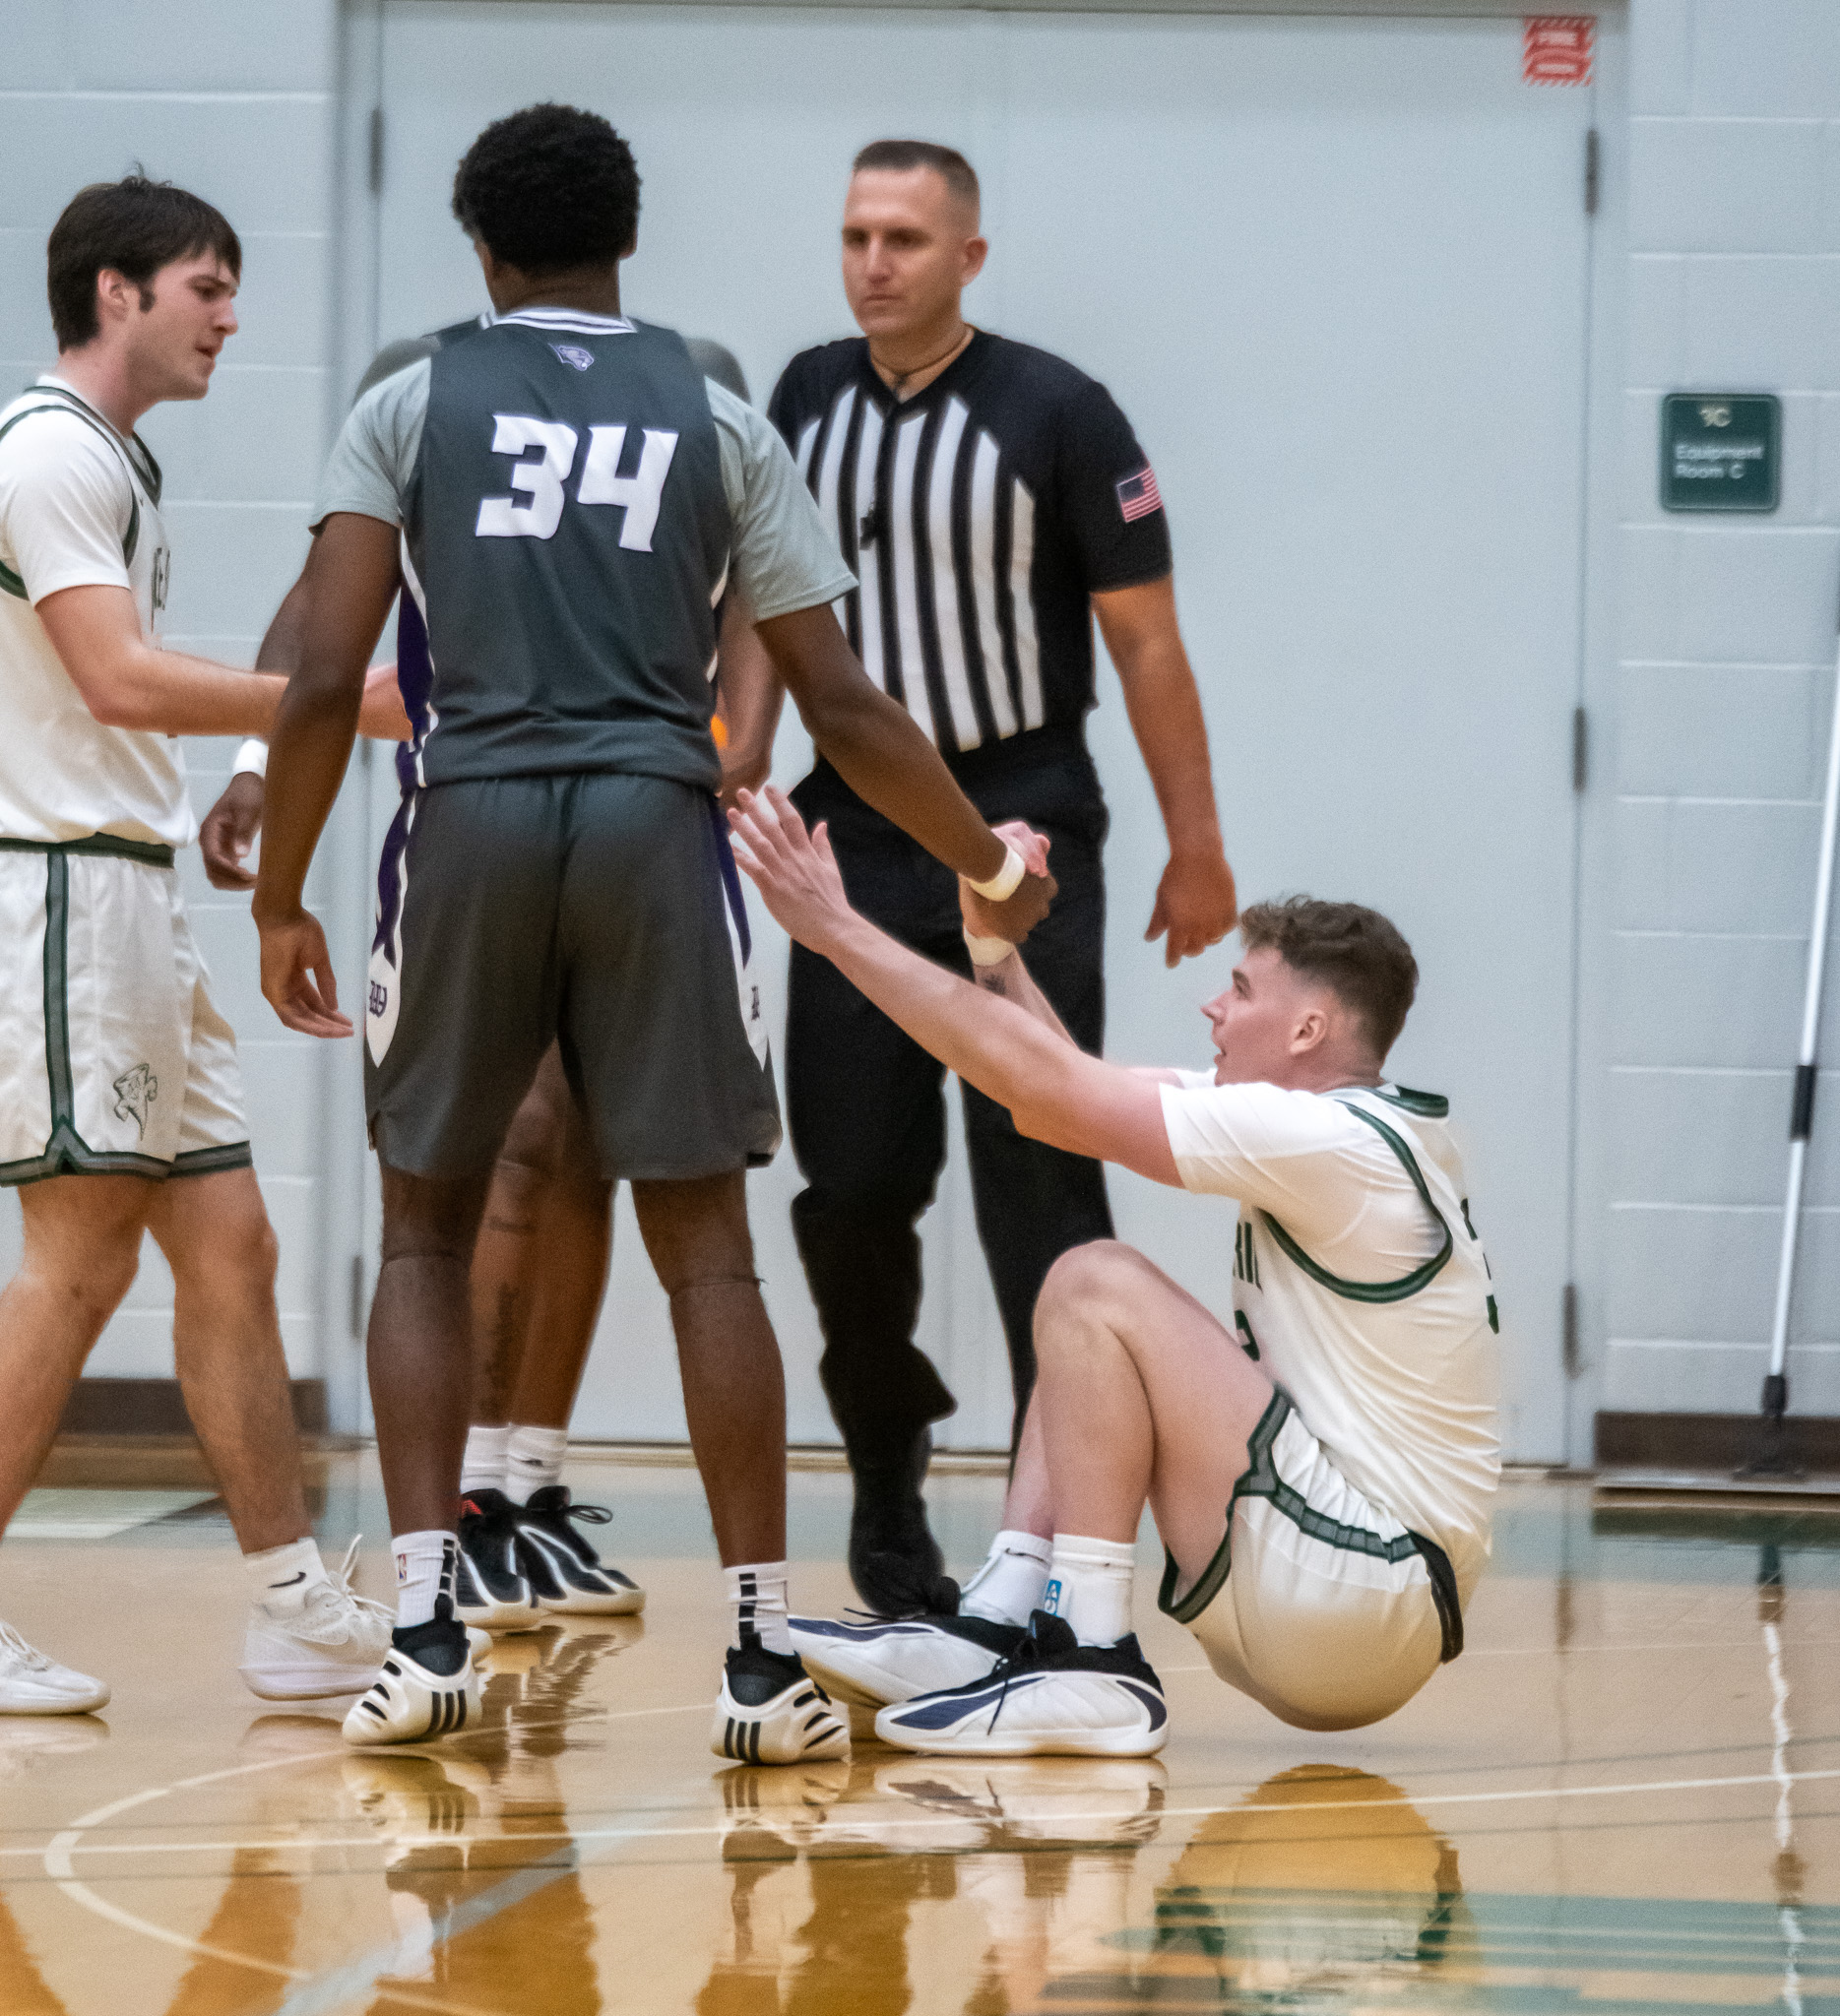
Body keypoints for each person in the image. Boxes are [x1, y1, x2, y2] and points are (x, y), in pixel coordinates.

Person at [251, 105, 1051, 1759]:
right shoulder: (714, 412)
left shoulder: (408, 401)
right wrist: (982, 859)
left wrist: (279, 891)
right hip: (648, 817)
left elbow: (326, 669)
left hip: (467, 814)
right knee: (707, 1246)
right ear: (626, 239)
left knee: (420, 1227)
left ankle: (422, 1633)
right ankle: (759, 1662)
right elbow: (835, 692)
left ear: (480, 246)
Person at [730, 785, 1500, 1753]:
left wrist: (835, 929)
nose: (1213, 1005)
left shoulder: (1328, 1137)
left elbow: (1047, 1095)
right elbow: (1056, 1087)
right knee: (1079, 1294)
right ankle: (1003, 1618)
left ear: (1309, 1029)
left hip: (1364, 1584)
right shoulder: (1338, 1125)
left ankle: (1090, 1652)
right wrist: (993, 949)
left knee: (1095, 1280)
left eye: (1244, 989)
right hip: (1353, 1598)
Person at [200, 335, 762, 1633]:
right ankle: (463, 1515)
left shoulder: (699, 385)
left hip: (623, 820)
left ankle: (524, 1488)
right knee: (505, 1150)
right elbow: (318, 605)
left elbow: (754, 606)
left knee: (584, 1157)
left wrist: (746, 733)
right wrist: (252, 755)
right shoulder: (421, 388)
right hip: (482, 823)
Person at [759, 139, 1239, 1617]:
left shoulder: (1061, 412)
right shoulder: (801, 398)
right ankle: (890, 1484)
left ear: (969, 255)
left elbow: (1145, 641)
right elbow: (760, 620)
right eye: (853, 234)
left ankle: (1061, 1546)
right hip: (849, 831)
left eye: (904, 237)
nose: (872, 263)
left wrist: (1196, 841)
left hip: (1023, 822)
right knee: (849, 1191)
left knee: (1038, 1179)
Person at [0, 177, 408, 1715]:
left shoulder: (112, 459)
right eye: (206, 287)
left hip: (131, 895)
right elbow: (114, 680)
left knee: (231, 1246)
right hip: (62, 898)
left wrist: (245, 773)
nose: (232, 317)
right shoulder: (46, 451)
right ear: (116, 293)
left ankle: (287, 1602)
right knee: (81, 1263)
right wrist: (325, 712)